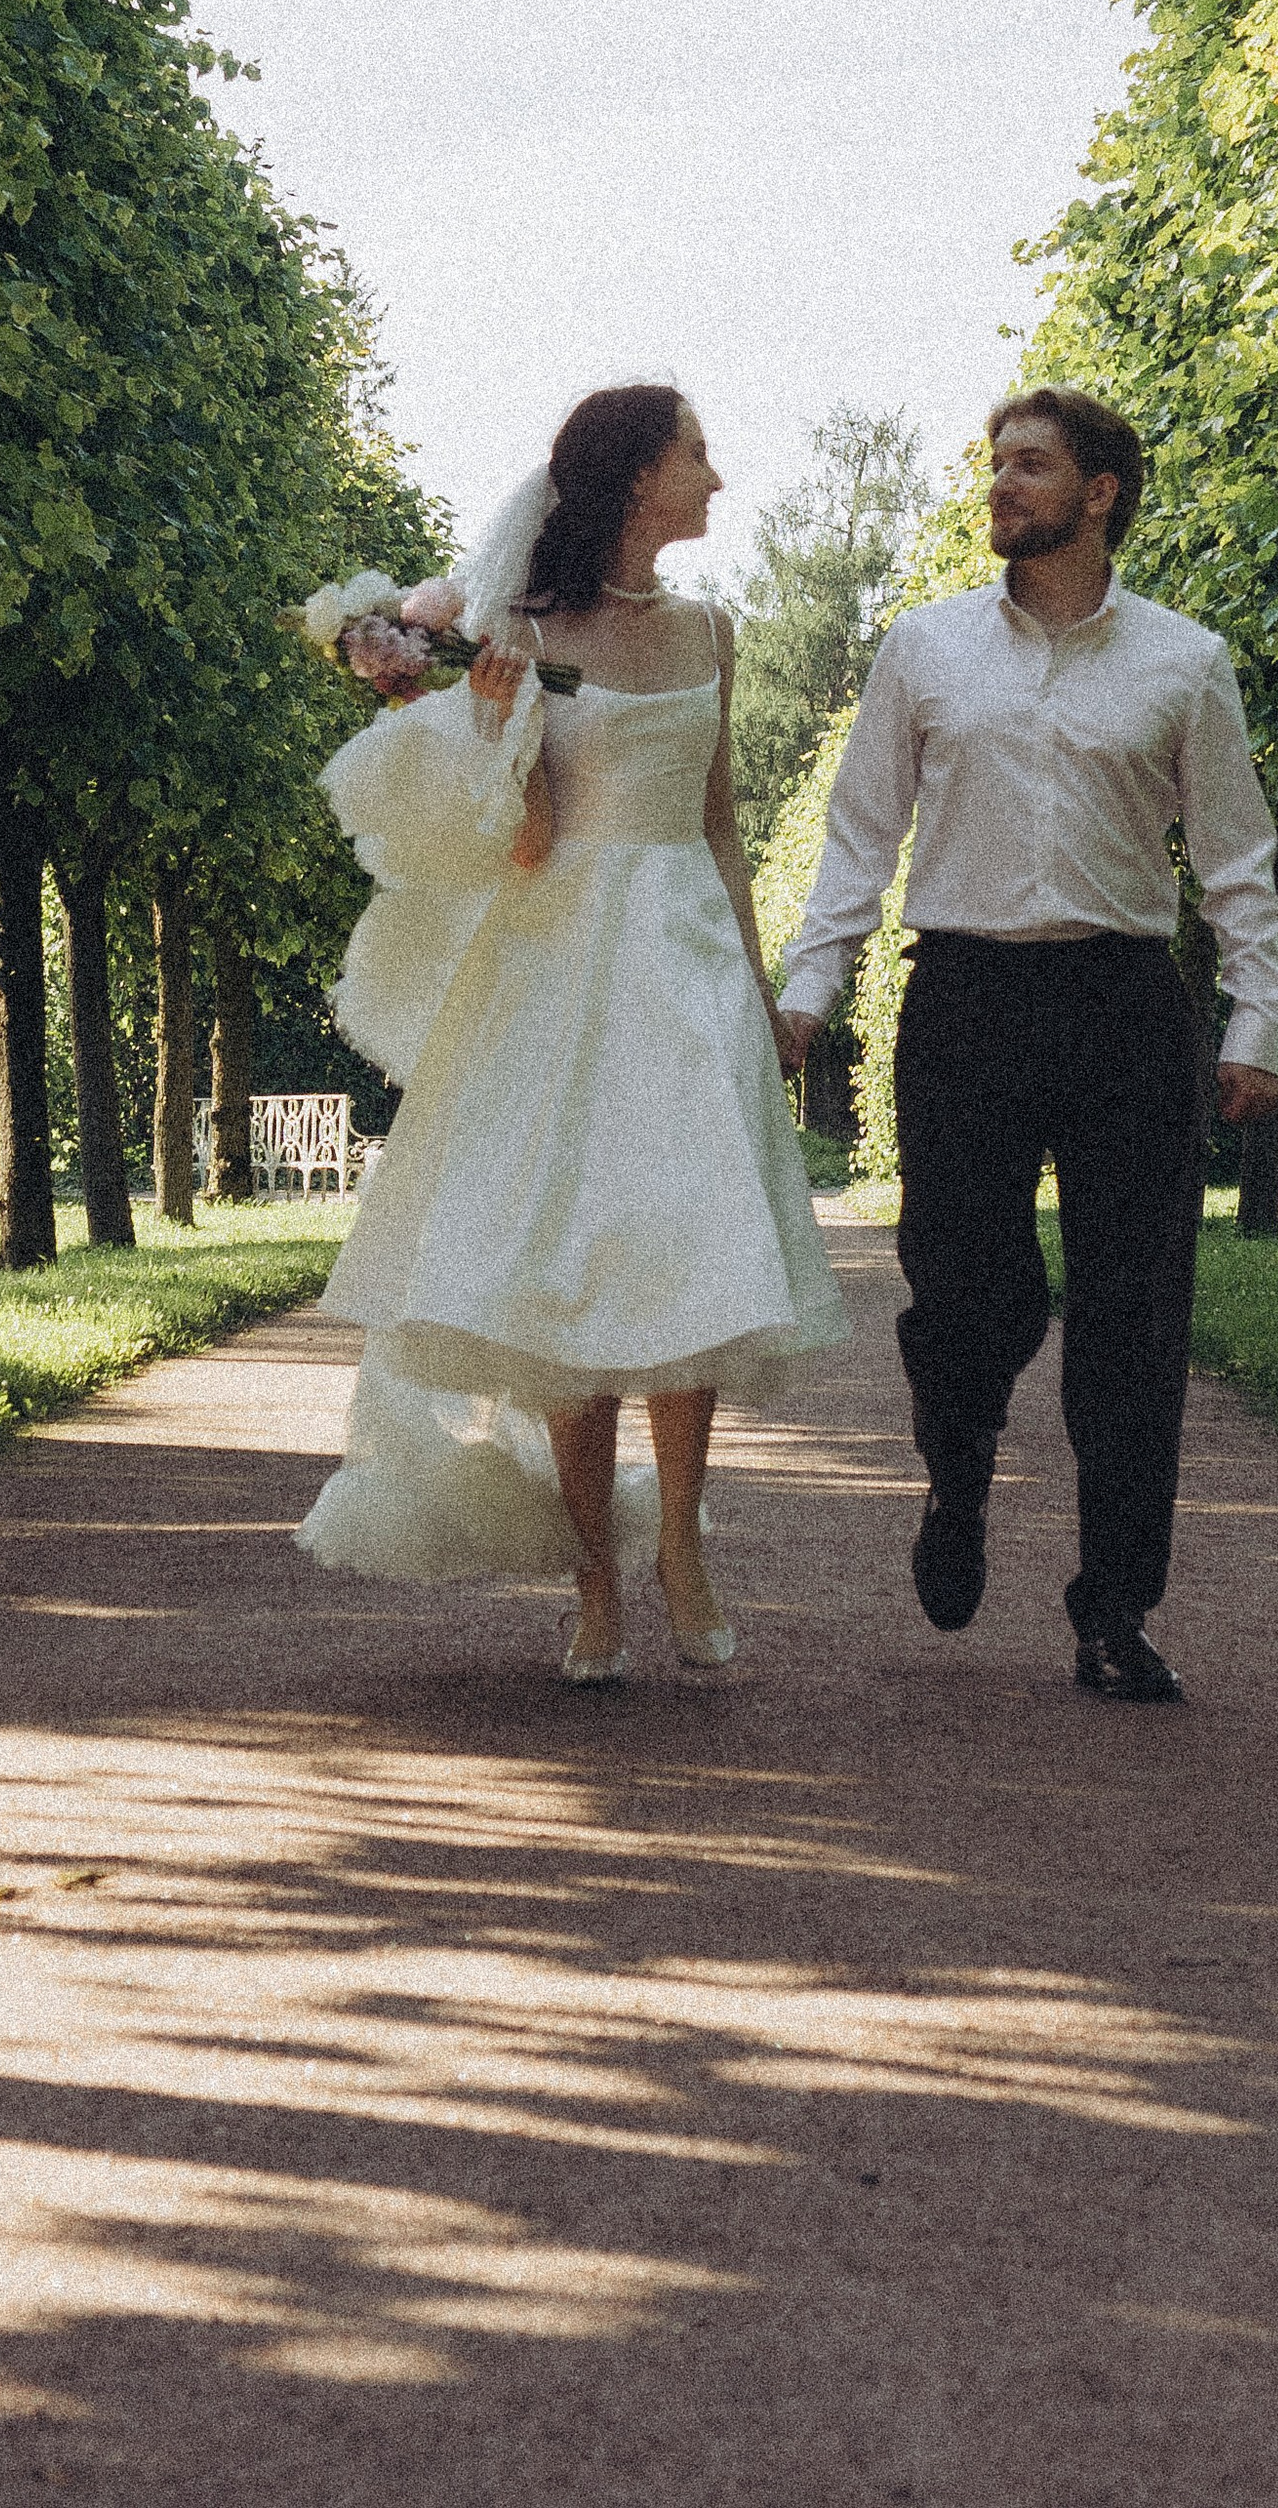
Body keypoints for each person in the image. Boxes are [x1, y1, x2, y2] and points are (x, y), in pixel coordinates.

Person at [296, 384, 846, 1682]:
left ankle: (682, 1549)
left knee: (694, 1247)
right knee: (567, 1270)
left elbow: (718, 823)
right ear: (639, 474)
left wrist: (758, 986)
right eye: (698, 454)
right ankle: (597, 1576)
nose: (717, 477)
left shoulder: (711, 629)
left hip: (690, 972)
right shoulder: (524, 633)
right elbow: (530, 840)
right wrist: (488, 722)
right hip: (560, 970)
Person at [777, 385, 1278, 1705]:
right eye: (995, 463)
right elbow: (859, 835)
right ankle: (956, 1481)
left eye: (1030, 465)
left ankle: (1114, 1608)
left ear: (1099, 492)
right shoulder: (925, 650)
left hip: (1125, 1009)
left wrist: (1259, 1020)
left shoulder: (1186, 661)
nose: (1000, 484)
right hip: (965, 1002)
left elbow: (1236, 855)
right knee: (964, 1295)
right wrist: (807, 993)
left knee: (1135, 1317)